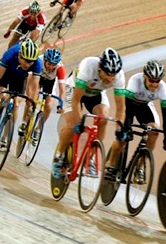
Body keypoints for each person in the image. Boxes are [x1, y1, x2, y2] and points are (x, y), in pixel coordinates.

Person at [52, 47, 126, 179]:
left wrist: (120, 129)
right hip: (75, 90)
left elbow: (121, 108)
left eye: (113, 74)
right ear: (99, 68)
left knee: (103, 119)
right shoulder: (88, 66)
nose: (111, 78)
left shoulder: (119, 77)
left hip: (96, 94)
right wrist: (79, 123)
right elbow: (76, 100)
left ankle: (90, 158)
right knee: (72, 125)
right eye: (108, 73)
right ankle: (59, 155)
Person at [105, 59, 166, 182]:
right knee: (123, 138)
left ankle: (139, 167)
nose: (154, 84)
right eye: (151, 80)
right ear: (145, 76)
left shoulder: (163, 88)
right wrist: (127, 127)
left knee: (154, 132)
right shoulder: (135, 81)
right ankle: (110, 163)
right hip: (130, 106)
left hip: (145, 107)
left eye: (157, 81)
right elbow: (128, 109)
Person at [0, 39, 42, 149]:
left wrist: (32, 103)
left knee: (16, 104)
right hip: (6, 72)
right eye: (26, 60)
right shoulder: (10, 55)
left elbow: (35, 87)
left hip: (20, 78)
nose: (28, 64)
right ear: (20, 56)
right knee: (0, 97)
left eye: (31, 62)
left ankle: (4, 139)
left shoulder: (37, 63)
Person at [38, 48, 66, 120]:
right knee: (32, 98)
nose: (51, 67)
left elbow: (62, 91)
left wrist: (60, 105)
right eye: (49, 64)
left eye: (54, 65)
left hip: (50, 81)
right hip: (38, 78)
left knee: (49, 105)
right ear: (45, 61)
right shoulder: (39, 61)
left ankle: (39, 127)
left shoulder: (60, 68)